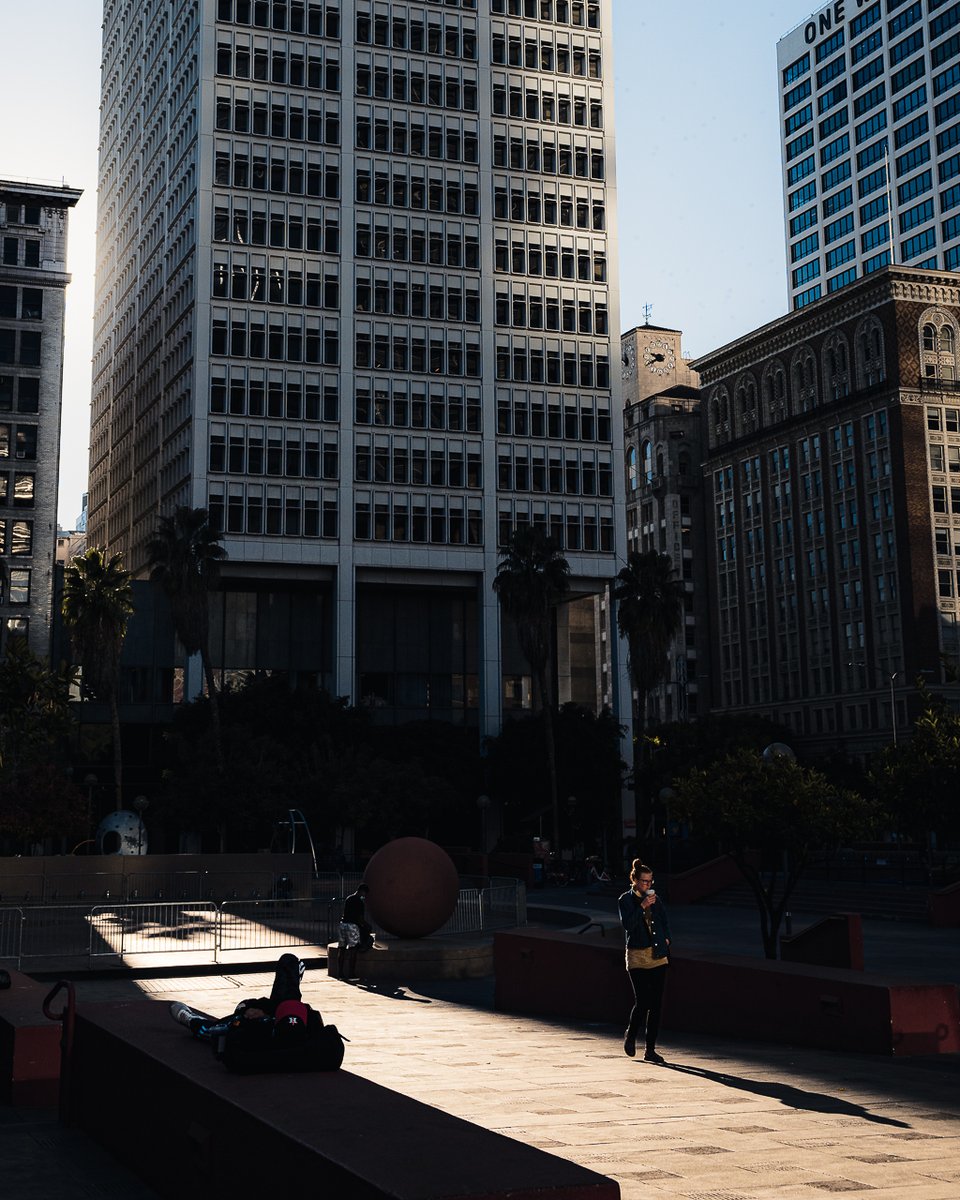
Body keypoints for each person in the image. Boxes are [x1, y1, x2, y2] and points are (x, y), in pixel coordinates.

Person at [618, 860, 670, 1064]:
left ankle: (650, 1049)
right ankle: (631, 1035)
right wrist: (642, 906)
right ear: (635, 880)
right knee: (643, 1001)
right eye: (644, 881)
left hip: (658, 955)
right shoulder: (625, 900)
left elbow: (665, 921)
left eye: (650, 881)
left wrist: (667, 938)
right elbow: (628, 925)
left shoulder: (656, 899)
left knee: (656, 1004)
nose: (647, 885)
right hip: (637, 956)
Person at [338, 882, 372, 981]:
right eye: (365, 893)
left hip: (343, 925)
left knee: (342, 949)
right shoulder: (359, 902)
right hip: (352, 926)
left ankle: (340, 973)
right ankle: (351, 973)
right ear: (362, 891)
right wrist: (367, 926)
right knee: (353, 950)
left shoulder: (349, 898)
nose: (365, 896)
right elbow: (360, 919)